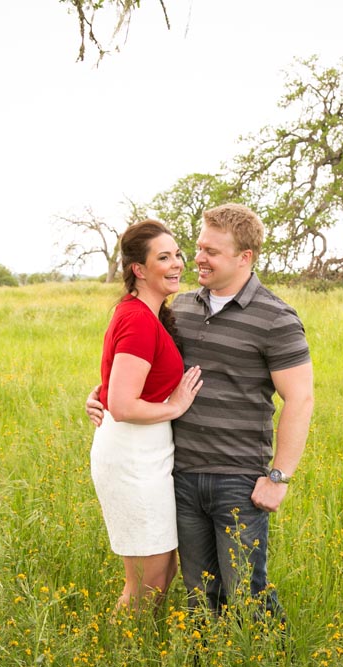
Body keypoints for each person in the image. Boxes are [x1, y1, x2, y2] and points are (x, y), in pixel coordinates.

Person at [89, 203, 314, 618]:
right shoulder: (181, 307)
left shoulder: (275, 318)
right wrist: (102, 393)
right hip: (179, 474)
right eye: (197, 247)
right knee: (199, 597)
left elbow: (300, 399)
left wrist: (279, 478)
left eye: (211, 251)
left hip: (238, 478)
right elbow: (143, 368)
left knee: (247, 593)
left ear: (244, 257)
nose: (196, 259)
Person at [90, 219, 203, 612]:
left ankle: (133, 644)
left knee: (161, 569)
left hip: (148, 453)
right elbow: (122, 405)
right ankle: (122, 648)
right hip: (132, 457)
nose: (177, 264)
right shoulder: (139, 319)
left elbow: (120, 385)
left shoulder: (147, 314)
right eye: (164, 257)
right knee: (147, 581)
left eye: (178, 255)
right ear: (139, 269)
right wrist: (175, 407)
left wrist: (99, 393)